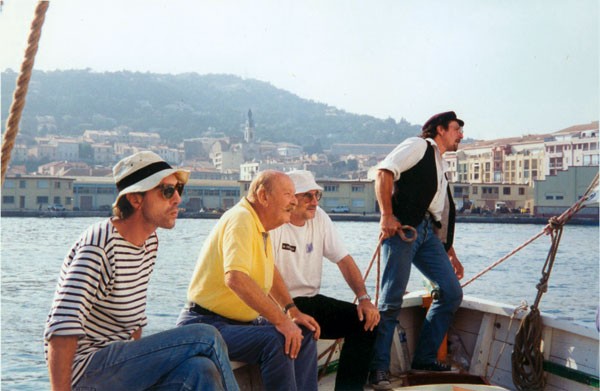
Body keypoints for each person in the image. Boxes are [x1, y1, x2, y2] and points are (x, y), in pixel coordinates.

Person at [44, 151, 238, 391]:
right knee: (206, 336)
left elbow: (134, 326)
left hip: (120, 370)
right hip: (86, 373)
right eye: (167, 191)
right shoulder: (99, 246)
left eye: (179, 189)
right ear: (136, 200)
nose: (177, 199)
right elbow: (61, 329)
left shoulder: (149, 243)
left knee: (200, 370)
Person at [176, 170, 321, 391]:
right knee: (279, 340)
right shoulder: (242, 218)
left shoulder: (259, 226)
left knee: (304, 333)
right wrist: (282, 322)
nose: (294, 201)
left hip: (237, 324)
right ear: (263, 196)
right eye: (288, 194)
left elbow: (268, 272)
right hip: (206, 324)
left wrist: (292, 312)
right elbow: (235, 278)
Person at [369, 111, 466, 390]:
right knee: (390, 301)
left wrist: (450, 253)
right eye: (457, 128)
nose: (460, 134)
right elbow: (385, 172)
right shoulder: (418, 146)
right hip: (404, 230)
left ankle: (423, 358)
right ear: (439, 129)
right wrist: (387, 215)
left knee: (451, 292)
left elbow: (439, 213)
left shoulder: (440, 164)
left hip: (427, 234)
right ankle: (378, 369)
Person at [270, 169, 380, 391]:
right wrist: (290, 310)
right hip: (280, 304)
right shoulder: (276, 223)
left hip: (310, 300)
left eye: (316, 195)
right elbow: (267, 272)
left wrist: (364, 298)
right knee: (306, 331)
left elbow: (343, 259)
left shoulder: (319, 218)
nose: (314, 202)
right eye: (307, 196)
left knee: (366, 324)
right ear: (291, 198)